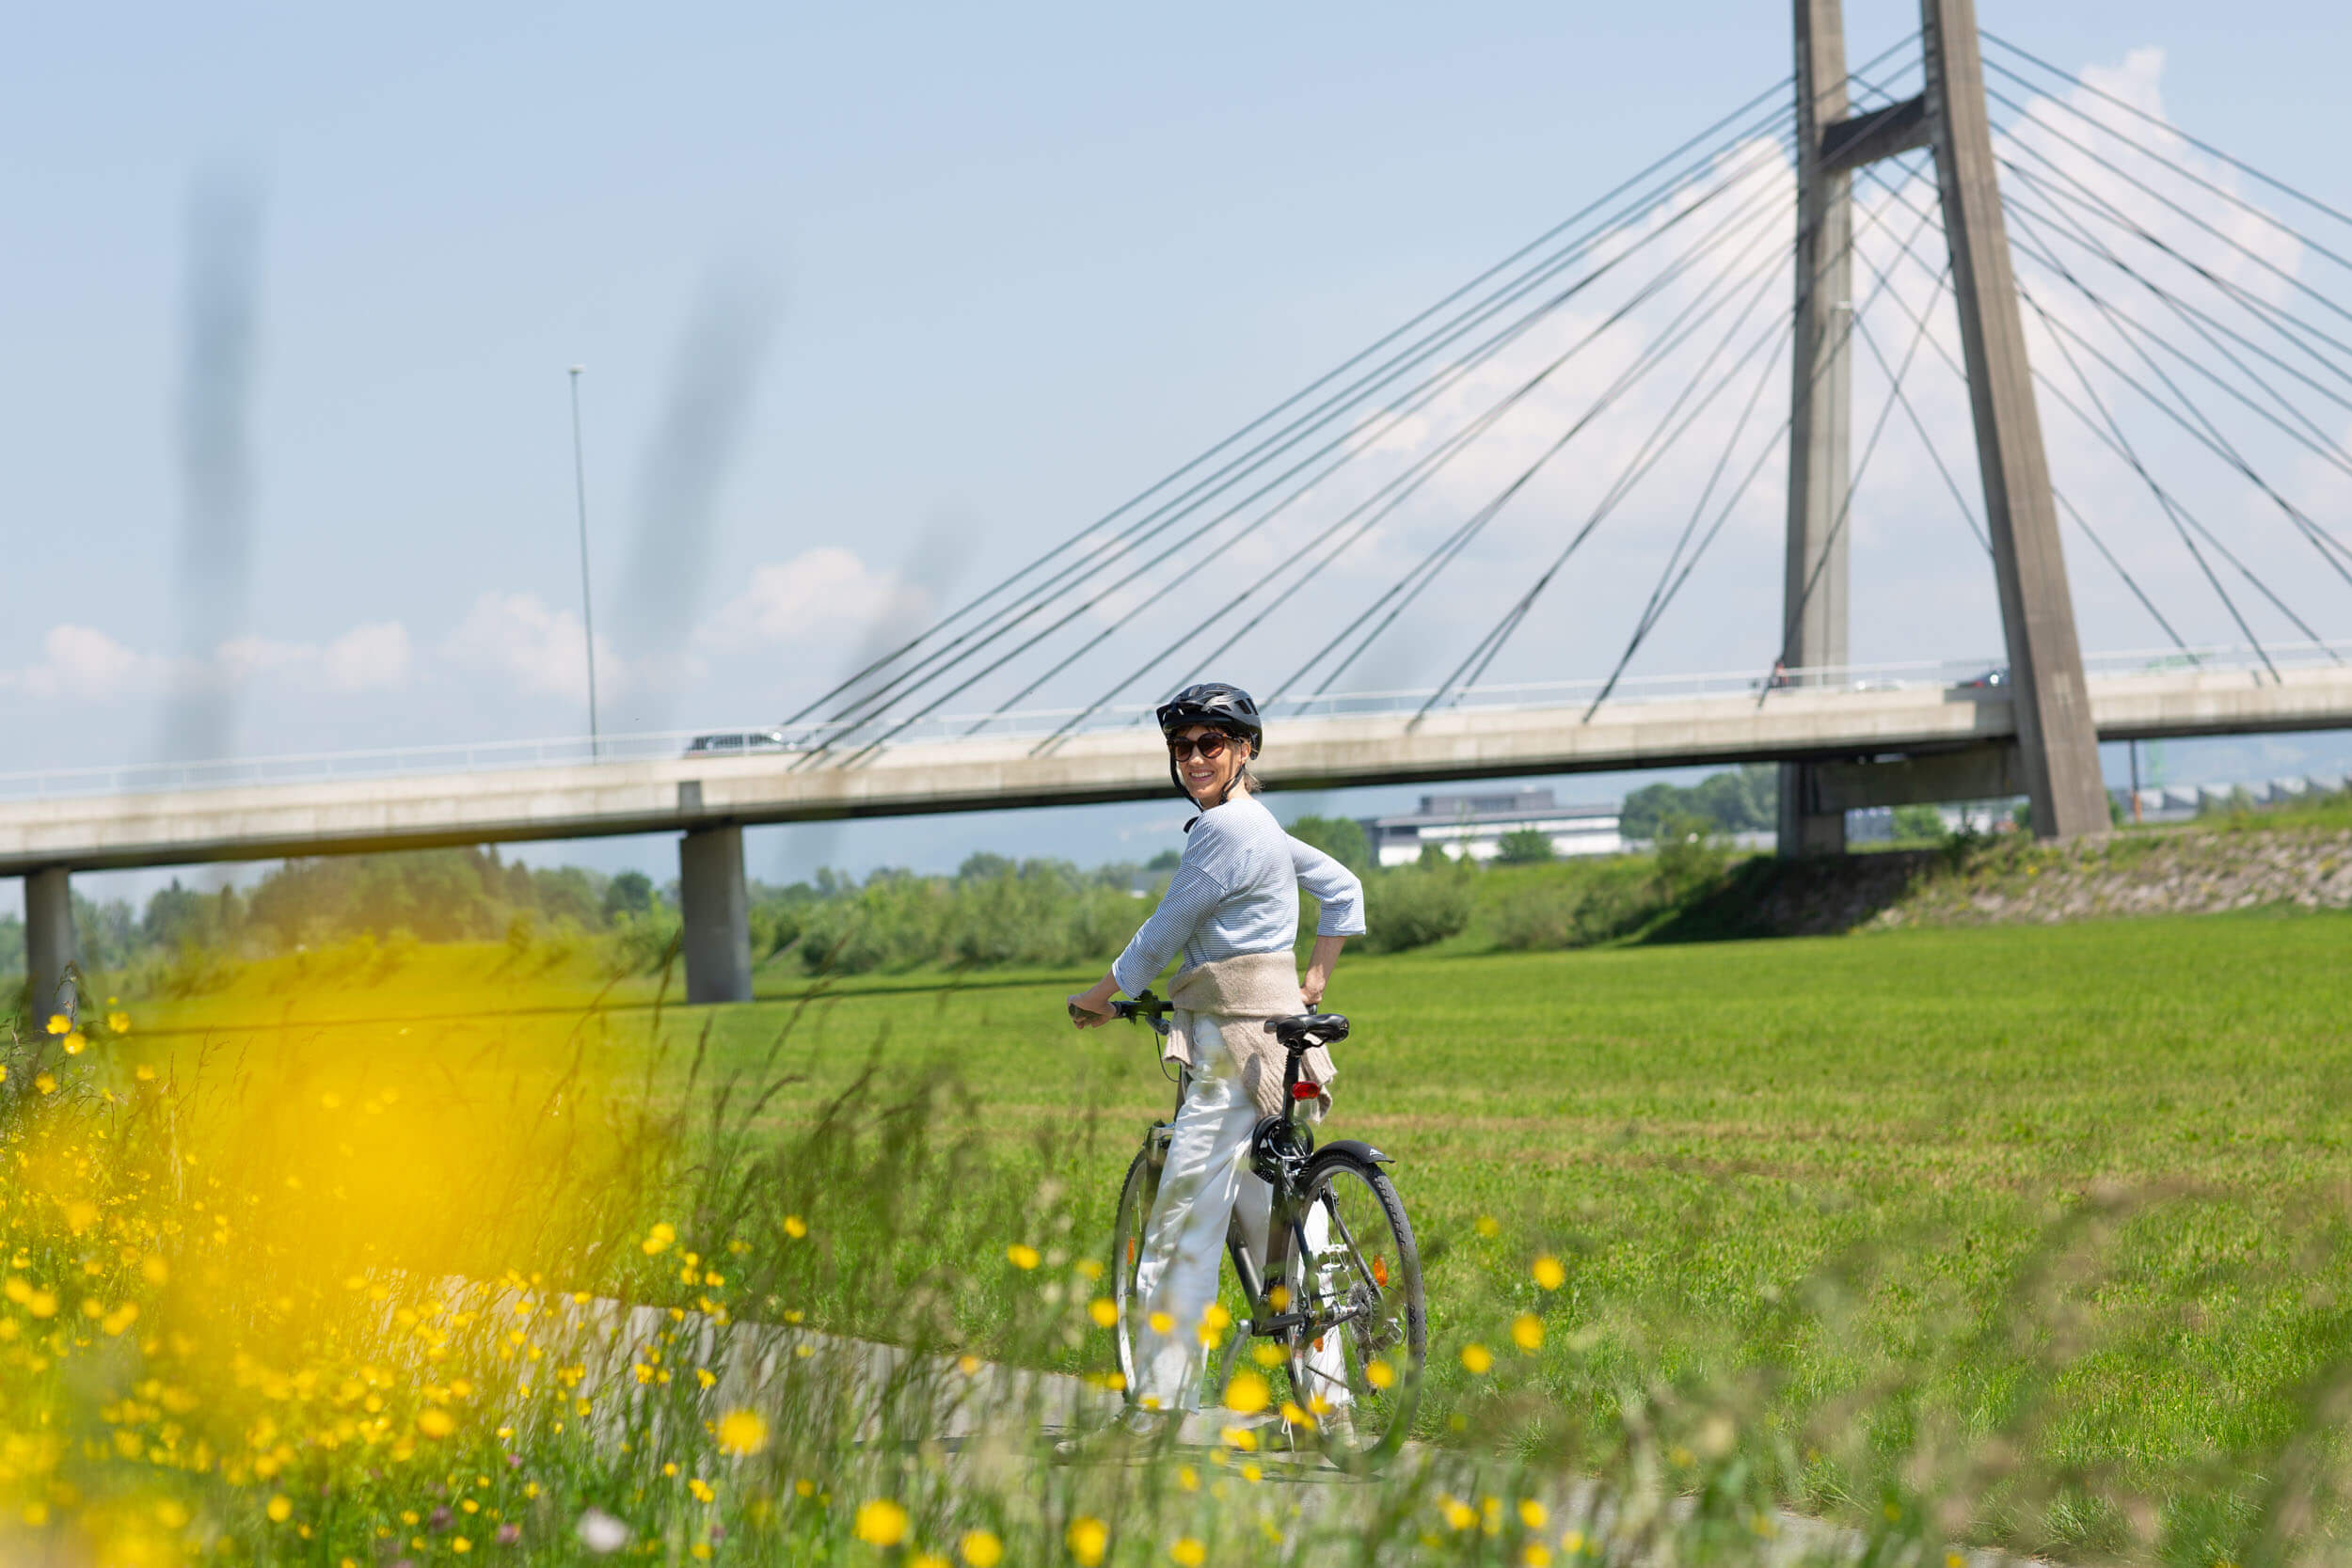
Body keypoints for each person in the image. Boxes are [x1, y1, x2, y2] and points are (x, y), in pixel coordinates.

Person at [1057, 681, 1367, 1457]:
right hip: (1278, 1040)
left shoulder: (1224, 830)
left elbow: (1162, 934)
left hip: (1234, 1045)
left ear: (1245, 750)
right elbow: (1343, 887)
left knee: (1179, 1226)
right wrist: (1315, 978)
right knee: (1287, 1221)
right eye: (1183, 745)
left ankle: (1155, 1413)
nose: (1194, 757)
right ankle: (1328, 1410)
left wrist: (1101, 997)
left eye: (1212, 743)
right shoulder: (1259, 825)